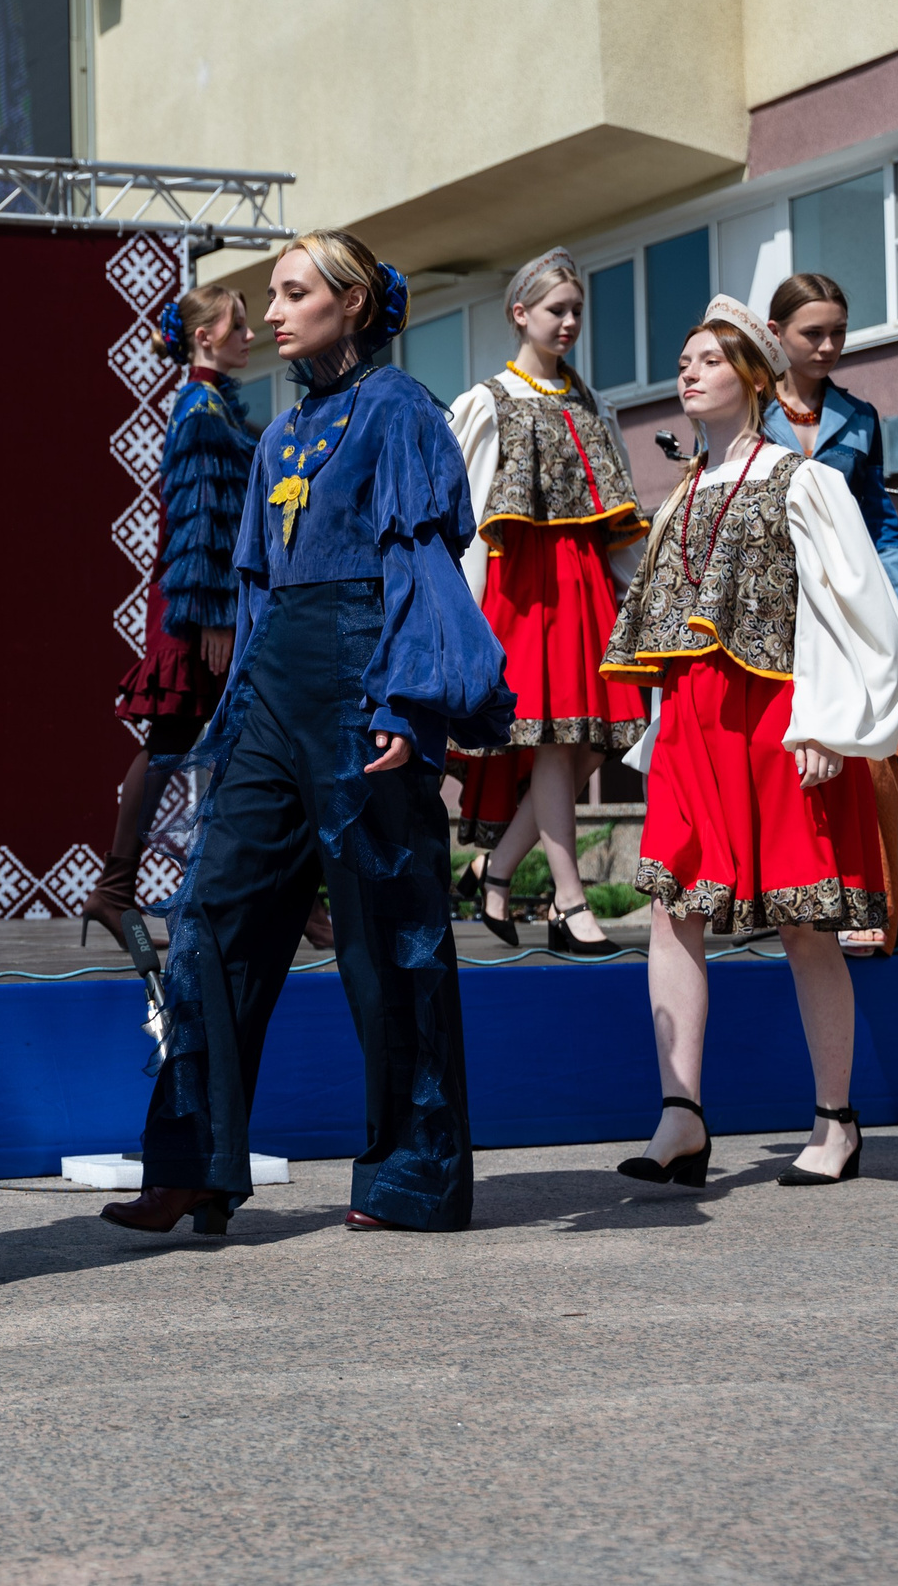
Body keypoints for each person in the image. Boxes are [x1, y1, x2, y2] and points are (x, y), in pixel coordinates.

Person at [100, 229, 511, 1239]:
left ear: (353, 303)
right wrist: (238, 703)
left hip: (364, 681)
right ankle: (192, 1162)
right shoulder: (279, 435)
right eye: (269, 296)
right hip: (271, 693)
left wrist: (407, 705)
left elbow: (422, 567)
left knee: (390, 935)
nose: (272, 312)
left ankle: (411, 1176)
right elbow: (249, 587)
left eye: (292, 293)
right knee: (212, 914)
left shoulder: (401, 412)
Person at [604, 298, 898, 1189]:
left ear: (755, 376)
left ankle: (836, 1120)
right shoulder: (683, 494)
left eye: (706, 359)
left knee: (803, 919)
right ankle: (681, 1117)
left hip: (778, 720)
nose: (686, 372)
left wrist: (825, 720)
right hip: (695, 722)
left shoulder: (801, 479)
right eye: (684, 359)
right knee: (672, 908)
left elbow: (854, 609)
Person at [446, 250, 649, 957]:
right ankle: (568, 901)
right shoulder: (486, 402)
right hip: (523, 590)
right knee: (561, 745)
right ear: (520, 314)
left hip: (584, 588)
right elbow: (465, 517)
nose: (568, 323)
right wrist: (460, 622)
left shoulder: (589, 401)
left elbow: (614, 520)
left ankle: (494, 869)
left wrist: (643, 597)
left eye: (576, 311)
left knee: (590, 740)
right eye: (556, 310)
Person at [82, 283, 258, 951]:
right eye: (237, 325)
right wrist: (214, 614)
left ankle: (122, 891)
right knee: (175, 737)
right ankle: (115, 890)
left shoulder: (207, 405)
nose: (251, 334)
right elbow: (197, 520)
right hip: (196, 608)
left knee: (204, 741)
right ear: (205, 337)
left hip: (200, 602)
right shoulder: (203, 408)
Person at [764, 273, 898, 957]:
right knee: (793, 763)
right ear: (775, 335)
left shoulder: (861, 418)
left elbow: (880, 526)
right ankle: (795, 914)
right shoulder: (743, 408)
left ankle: (877, 910)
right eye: (813, 332)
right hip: (774, 616)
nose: (829, 344)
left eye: (838, 330)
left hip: (851, 608)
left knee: (875, 755)